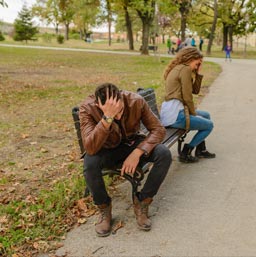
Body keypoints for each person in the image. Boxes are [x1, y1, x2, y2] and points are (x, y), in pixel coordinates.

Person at [79, 83, 172, 237]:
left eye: (120, 110)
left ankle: (142, 202)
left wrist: (137, 153)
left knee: (164, 153)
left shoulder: (135, 101)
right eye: (112, 113)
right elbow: (90, 148)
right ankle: (104, 209)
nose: (118, 116)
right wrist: (106, 119)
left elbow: (158, 130)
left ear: (121, 98)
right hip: (105, 148)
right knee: (90, 163)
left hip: (131, 144)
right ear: (98, 105)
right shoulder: (87, 108)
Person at [160, 47, 216, 163]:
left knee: (206, 115)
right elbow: (187, 97)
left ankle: (201, 149)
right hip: (175, 115)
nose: (197, 66)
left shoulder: (180, 68)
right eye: (197, 63)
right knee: (209, 125)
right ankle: (187, 151)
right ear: (191, 58)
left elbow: (194, 91)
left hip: (173, 111)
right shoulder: (184, 70)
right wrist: (193, 113)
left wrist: (198, 73)